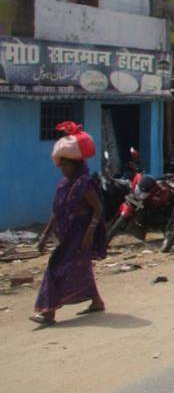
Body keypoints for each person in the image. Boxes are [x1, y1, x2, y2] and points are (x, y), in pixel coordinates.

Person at [31, 130, 108, 326]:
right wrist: (44, 237)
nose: (63, 168)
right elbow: (56, 212)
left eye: (67, 165)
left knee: (56, 267)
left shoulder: (85, 185)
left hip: (80, 234)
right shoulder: (64, 185)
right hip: (66, 235)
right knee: (81, 269)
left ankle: (49, 313)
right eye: (61, 165)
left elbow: (98, 210)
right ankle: (96, 302)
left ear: (76, 164)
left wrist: (89, 233)